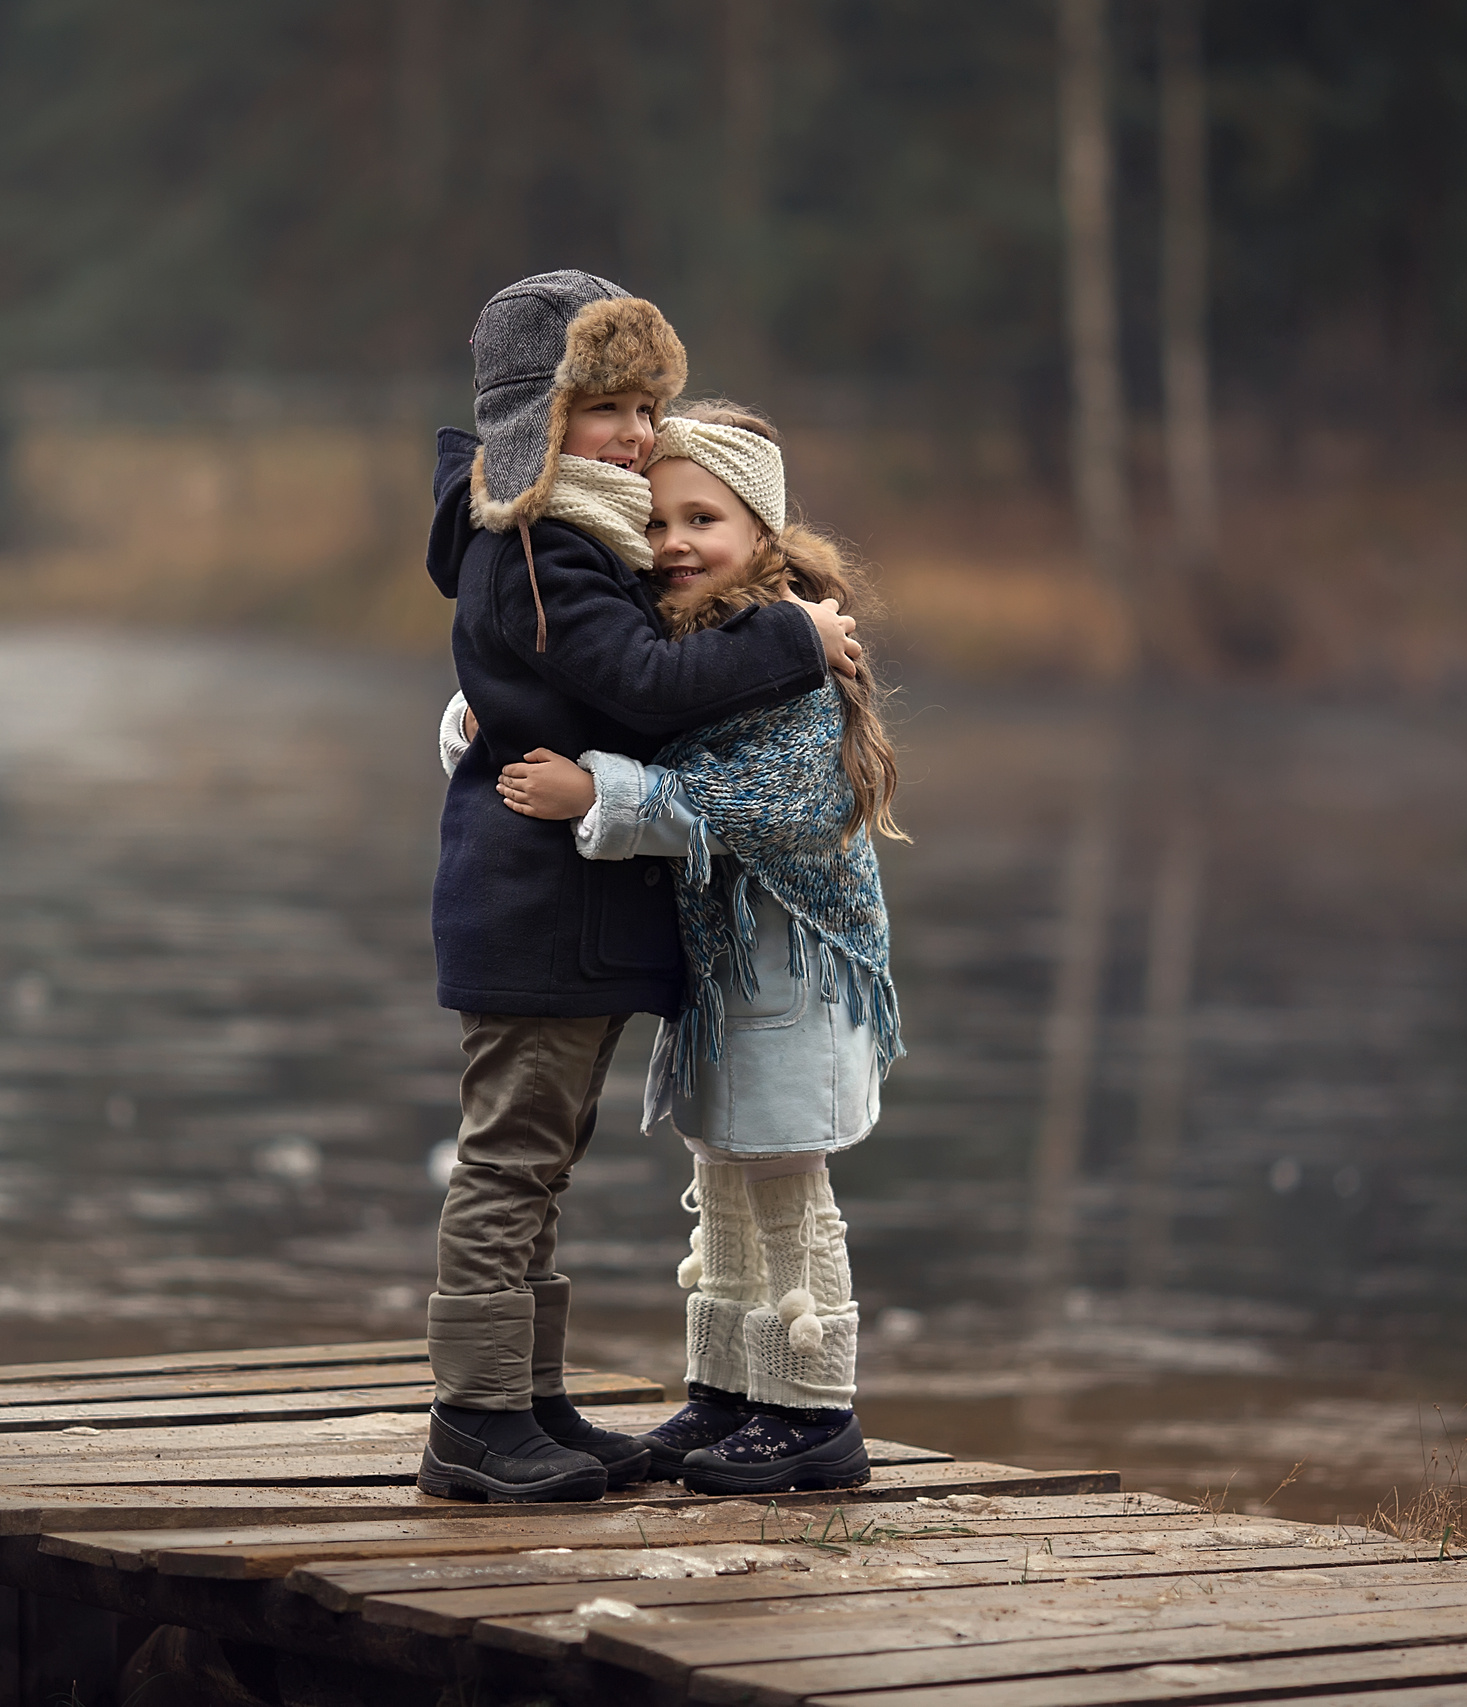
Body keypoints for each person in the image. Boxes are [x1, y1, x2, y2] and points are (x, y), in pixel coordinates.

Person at [417, 272, 864, 1505]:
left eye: (646, 406)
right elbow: (641, 685)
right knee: (509, 1165)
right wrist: (795, 637)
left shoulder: (584, 535)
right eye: (604, 406)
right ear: (538, 415)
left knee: (540, 1163)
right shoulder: (542, 543)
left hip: (571, 918)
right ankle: (473, 1419)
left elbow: (596, 685)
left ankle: (527, 1401)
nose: (634, 432)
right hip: (534, 913)